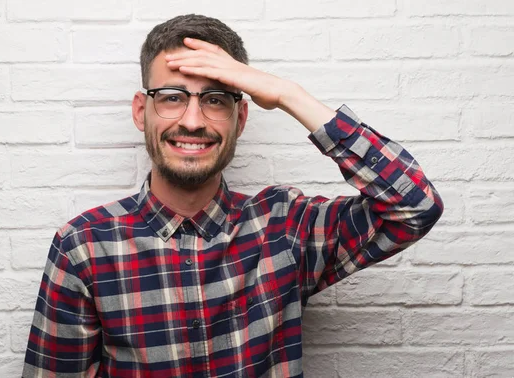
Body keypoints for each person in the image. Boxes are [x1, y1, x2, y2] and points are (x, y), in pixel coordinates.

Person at [22, 14, 443, 378]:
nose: (192, 120)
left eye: (215, 100)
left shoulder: (285, 227)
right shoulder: (83, 246)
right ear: (140, 111)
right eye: (171, 97)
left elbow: (415, 206)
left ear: (241, 117)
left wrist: (286, 93)